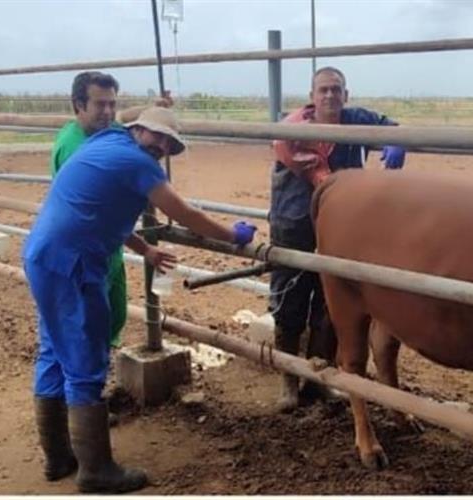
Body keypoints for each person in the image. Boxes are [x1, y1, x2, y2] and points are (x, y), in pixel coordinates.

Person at [25, 106, 257, 493]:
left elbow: (101, 211)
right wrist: (233, 235)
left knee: (53, 350)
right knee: (85, 358)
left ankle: (57, 458)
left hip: (44, 254)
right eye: (157, 135)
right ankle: (95, 470)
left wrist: (144, 250)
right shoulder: (137, 162)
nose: (162, 145)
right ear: (137, 129)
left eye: (169, 141)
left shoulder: (106, 141)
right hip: (75, 263)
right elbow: (184, 213)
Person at [268, 66, 406, 412]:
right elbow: (319, 175)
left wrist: (394, 139)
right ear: (312, 97)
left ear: (346, 94)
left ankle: (318, 378)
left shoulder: (355, 118)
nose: (330, 95)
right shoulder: (293, 130)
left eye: (336, 89)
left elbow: (391, 125)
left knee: (334, 303)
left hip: (341, 228)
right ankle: (288, 377)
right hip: (296, 224)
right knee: (290, 300)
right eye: (323, 90)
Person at [50, 71, 172, 351]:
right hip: (86, 250)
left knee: (112, 316)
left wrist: (155, 108)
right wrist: (145, 249)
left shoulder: (102, 134)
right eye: (99, 104)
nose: (107, 112)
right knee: (86, 327)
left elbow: (124, 116)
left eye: (111, 104)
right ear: (78, 105)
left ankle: (92, 374)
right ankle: (83, 387)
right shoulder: (79, 149)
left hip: (108, 249)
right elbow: (98, 219)